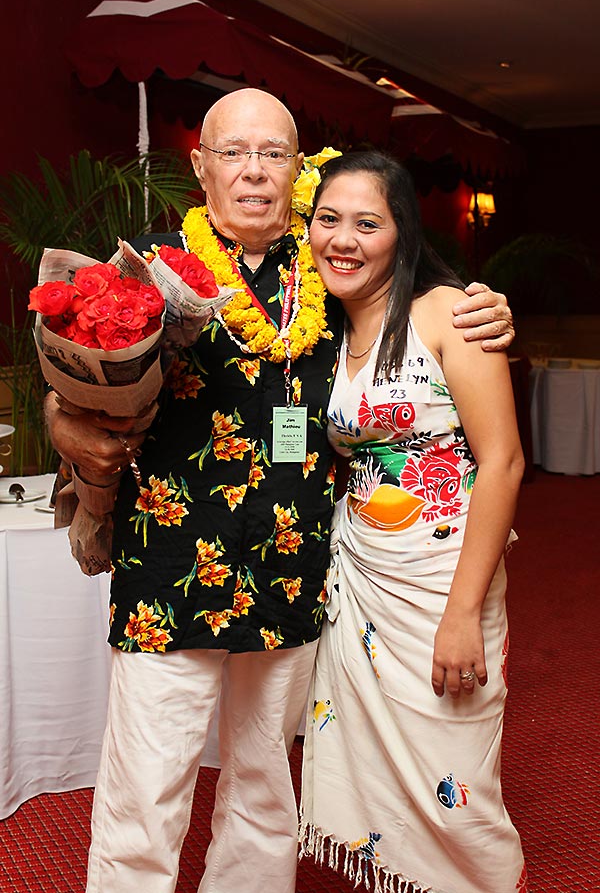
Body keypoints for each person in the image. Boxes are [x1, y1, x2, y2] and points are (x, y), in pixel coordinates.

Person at [45, 89, 516, 893]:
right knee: (145, 790)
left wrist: (487, 306)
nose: (254, 171)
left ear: (297, 170)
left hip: (291, 569)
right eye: (233, 153)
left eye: (273, 154)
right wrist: (63, 423)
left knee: (265, 785)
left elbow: (416, 313)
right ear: (201, 167)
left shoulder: (332, 268)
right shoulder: (147, 268)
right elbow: (69, 383)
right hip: (169, 568)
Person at [299, 150, 527, 893]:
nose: (344, 240)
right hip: (361, 570)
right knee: (373, 760)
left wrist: (462, 613)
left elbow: (503, 463)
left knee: (454, 769)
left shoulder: (447, 312)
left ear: (403, 232)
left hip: (442, 577)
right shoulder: (322, 328)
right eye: (328, 220)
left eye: (368, 223)